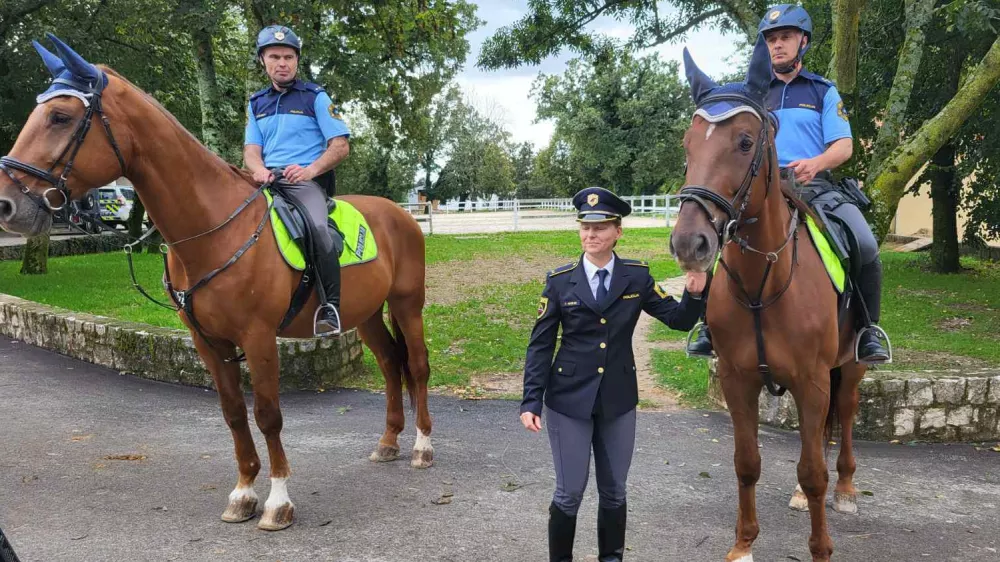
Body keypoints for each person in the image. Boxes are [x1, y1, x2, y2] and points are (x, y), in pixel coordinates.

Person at [686, 3, 890, 363]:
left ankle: (867, 330)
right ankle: (708, 323)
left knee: (866, 244)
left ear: (803, 42)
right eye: (771, 39)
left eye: (785, 37)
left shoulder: (822, 92)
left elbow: (844, 146)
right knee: (718, 234)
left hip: (816, 188)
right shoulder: (748, 95)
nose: (777, 45)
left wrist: (816, 163)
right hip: (761, 191)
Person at [520, 187, 708, 562]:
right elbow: (540, 345)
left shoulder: (635, 277)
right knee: (569, 492)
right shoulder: (559, 281)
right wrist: (531, 400)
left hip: (618, 399)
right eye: (586, 228)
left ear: (618, 232)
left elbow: (678, 319)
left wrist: (696, 292)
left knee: (614, 491)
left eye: (601, 227)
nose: (591, 235)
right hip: (568, 400)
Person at [244, 25, 350, 336]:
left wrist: (309, 170)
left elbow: (341, 145)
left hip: (305, 181)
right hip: (267, 180)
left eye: (288, 56)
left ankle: (330, 307)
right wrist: (258, 169)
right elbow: (251, 151)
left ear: (296, 61)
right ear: (263, 61)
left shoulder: (315, 97)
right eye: (274, 56)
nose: (282, 62)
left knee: (318, 229)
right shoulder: (256, 103)